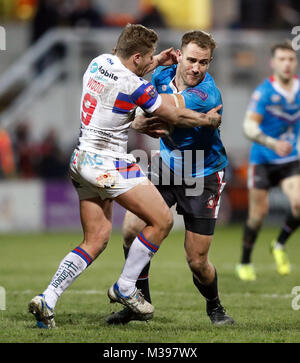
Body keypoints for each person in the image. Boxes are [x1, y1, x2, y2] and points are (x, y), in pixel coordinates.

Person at [28, 24, 222, 328]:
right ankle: (126, 287)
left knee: (96, 239)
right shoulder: (137, 85)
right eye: (147, 59)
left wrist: (155, 63)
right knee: (162, 221)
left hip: (81, 160)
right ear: (136, 58)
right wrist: (208, 119)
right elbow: (173, 114)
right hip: (109, 163)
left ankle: (47, 298)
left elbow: (129, 91)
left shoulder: (98, 62)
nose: (151, 63)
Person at [105, 30, 235, 326]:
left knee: (197, 261)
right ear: (179, 55)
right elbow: (131, 84)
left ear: (210, 62)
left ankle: (215, 307)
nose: (196, 68)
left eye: (203, 63)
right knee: (131, 229)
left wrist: (137, 116)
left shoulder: (206, 94)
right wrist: (137, 117)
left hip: (204, 174)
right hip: (166, 165)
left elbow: (161, 107)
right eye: (190, 60)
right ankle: (138, 302)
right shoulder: (162, 74)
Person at [235, 41, 300, 281]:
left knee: (299, 204)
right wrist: (273, 144)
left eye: (291, 59)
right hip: (263, 159)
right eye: (282, 59)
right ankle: (244, 261)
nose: (287, 63)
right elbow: (248, 127)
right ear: (273, 63)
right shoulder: (264, 92)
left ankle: (279, 244)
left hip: (290, 159)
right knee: (258, 215)